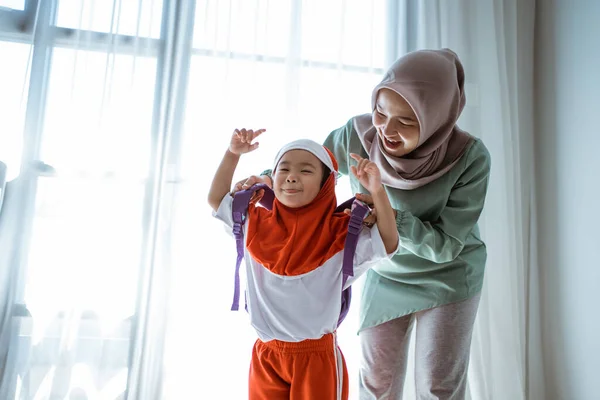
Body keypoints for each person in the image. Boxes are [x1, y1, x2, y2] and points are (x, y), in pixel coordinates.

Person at [234, 48, 491, 399]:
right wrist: (267, 180)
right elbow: (312, 166)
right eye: (381, 112)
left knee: (438, 385)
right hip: (386, 275)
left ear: (436, 117)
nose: (387, 129)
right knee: (376, 382)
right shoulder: (357, 135)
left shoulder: (469, 158)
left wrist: (389, 215)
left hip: (448, 278)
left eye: (407, 121)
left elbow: (446, 246)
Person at [207, 130, 400, 399]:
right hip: (266, 354)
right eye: (283, 169)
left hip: (316, 358)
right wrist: (232, 154)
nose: (291, 176)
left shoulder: (341, 234)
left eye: (306, 171)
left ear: (325, 184)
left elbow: (388, 242)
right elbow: (217, 200)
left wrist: (377, 190)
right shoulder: (254, 223)